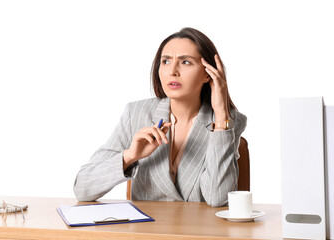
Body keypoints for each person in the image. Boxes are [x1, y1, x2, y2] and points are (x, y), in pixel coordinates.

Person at [73, 27, 247, 207]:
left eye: (185, 62)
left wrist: (220, 114)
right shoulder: (136, 113)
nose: (173, 71)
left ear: (207, 73)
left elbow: (217, 198)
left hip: (198, 233)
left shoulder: (228, 120)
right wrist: (130, 156)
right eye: (165, 61)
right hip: (145, 231)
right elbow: (82, 189)